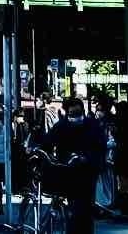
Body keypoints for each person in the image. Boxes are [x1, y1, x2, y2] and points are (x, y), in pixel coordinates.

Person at [34, 97, 106, 234]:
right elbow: (47, 143)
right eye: (72, 114)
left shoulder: (92, 125)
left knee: (85, 207)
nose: (76, 117)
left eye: (78, 113)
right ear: (67, 113)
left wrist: (87, 158)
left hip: (88, 171)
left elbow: (100, 147)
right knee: (75, 207)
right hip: (68, 170)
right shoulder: (61, 126)